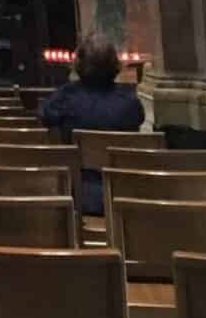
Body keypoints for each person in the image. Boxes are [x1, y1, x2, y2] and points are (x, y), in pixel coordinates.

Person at [40, 32, 145, 215]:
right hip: (124, 194)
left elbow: (45, 115)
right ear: (115, 64)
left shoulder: (65, 98)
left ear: (79, 64)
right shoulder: (129, 104)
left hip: (79, 195)